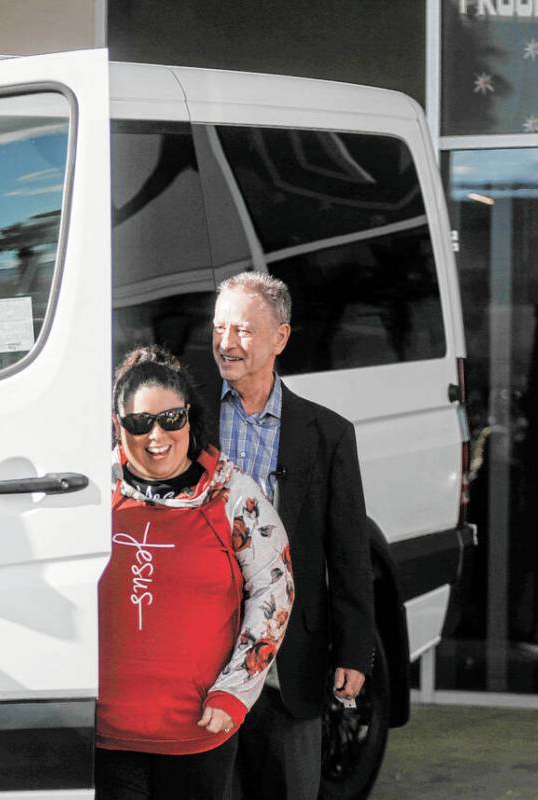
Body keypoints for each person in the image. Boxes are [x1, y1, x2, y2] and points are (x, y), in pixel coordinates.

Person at [197, 272, 376, 800]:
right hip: (202, 663)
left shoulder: (328, 434)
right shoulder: (186, 422)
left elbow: (348, 553)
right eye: (218, 328)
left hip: (289, 662)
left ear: (280, 337)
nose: (226, 344)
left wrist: (354, 651)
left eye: (244, 331)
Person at [97, 345, 294, 800]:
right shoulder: (90, 494)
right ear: (116, 426)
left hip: (199, 730)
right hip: (106, 735)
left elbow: (275, 589)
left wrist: (236, 692)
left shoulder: (232, 496)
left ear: (190, 417)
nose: (157, 436)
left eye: (171, 419)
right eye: (138, 423)